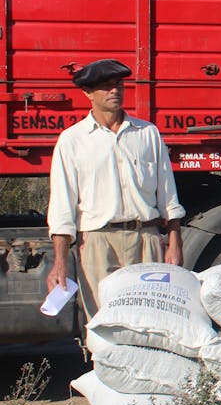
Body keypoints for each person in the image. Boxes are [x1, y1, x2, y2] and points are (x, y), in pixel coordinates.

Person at [46, 59, 186, 319]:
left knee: (151, 321)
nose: (115, 91)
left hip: (145, 239)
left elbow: (168, 194)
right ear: (87, 93)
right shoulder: (73, 140)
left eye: (119, 85)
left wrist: (174, 242)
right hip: (98, 243)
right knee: (105, 323)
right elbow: (62, 208)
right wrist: (60, 263)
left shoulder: (147, 134)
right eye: (106, 87)